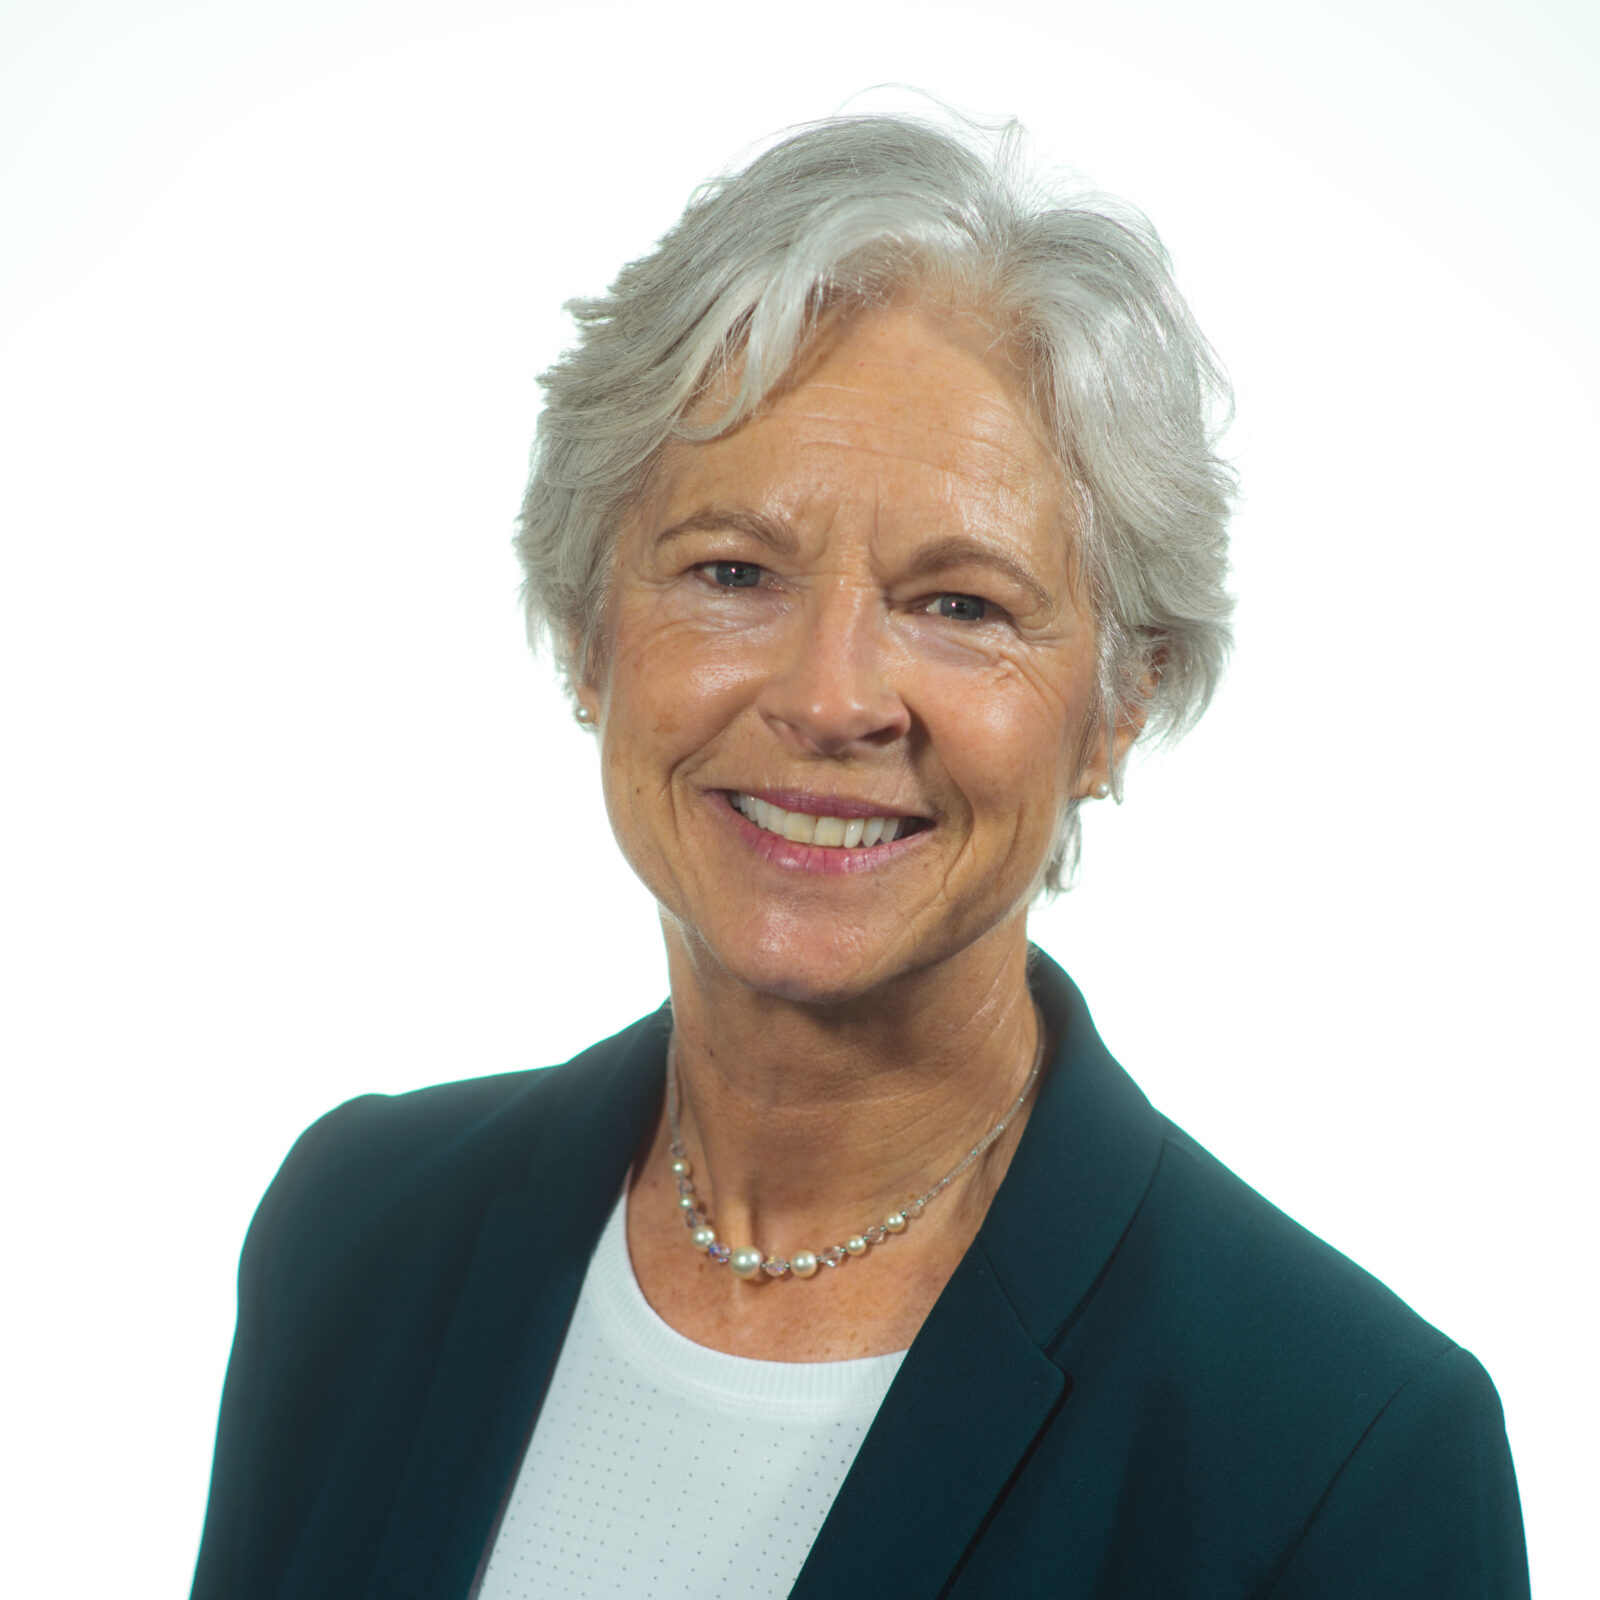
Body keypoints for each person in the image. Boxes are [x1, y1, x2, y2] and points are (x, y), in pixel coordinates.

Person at [189, 112, 1529, 1599]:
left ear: (1120, 704)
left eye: (960, 605)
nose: (831, 699)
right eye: (733, 571)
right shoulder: (359, 1233)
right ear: (586, 631)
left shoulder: (1341, 1451)